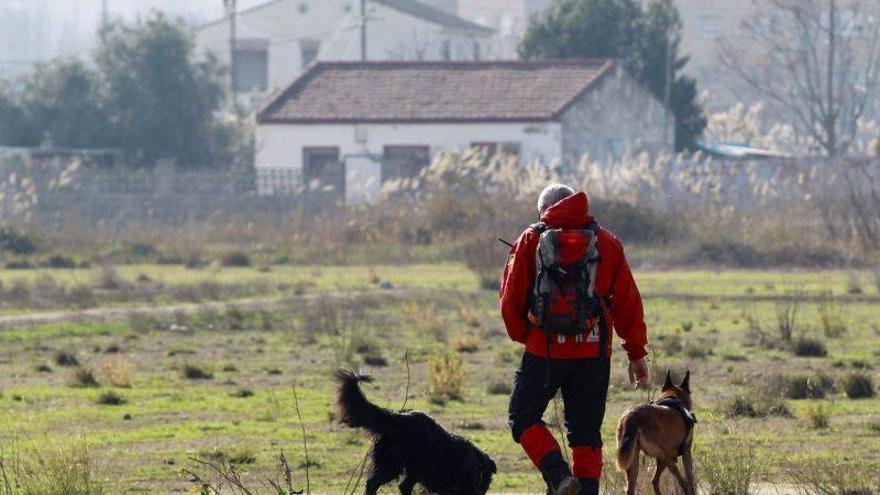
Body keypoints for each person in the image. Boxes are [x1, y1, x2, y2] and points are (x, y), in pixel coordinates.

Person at [500, 184, 649, 495]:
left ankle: (559, 478)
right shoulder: (607, 242)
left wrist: (529, 337)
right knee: (585, 432)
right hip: (594, 352)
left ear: (543, 210)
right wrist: (635, 353)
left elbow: (510, 300)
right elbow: (628, 303)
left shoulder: (530, 239)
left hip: (545, 350)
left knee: (522, 416)